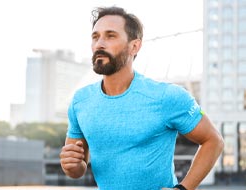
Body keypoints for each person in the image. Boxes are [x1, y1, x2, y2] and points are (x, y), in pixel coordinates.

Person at [60, 6, 224, 190]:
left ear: (134, 46)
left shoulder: (167, 96)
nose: (99, 44)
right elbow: (77, 169)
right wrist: (72, 165)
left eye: (110, 35)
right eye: (95, 37)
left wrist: (183, 189)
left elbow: (214, 140)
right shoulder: (80, 101)